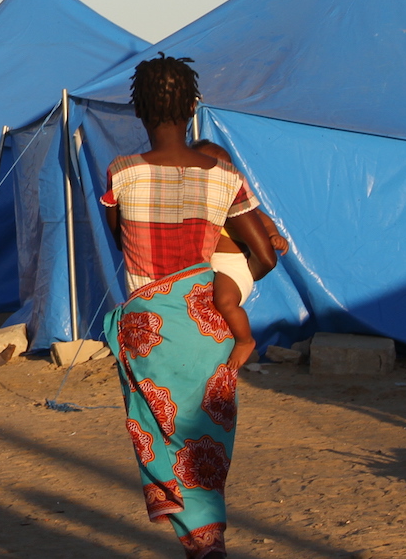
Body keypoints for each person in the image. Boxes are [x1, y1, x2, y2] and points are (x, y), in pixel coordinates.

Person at [99, 54, 276, 558]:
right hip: (208, 327)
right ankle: (207, 540)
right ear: (193, 105)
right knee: (204, 445)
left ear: (138, 110)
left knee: (162, 437)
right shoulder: (225, 177)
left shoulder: (122, 173)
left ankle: (202, 544)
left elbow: (121, 243)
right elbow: (262, 255)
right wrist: (220, 290)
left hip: (148, 332)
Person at [191, 140, 289, 350]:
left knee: (225, 302)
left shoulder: (235, 202)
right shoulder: (197, 202)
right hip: (212, 265)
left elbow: (262, 219)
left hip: (233, 266)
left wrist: (273, 235)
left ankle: (245, 340)